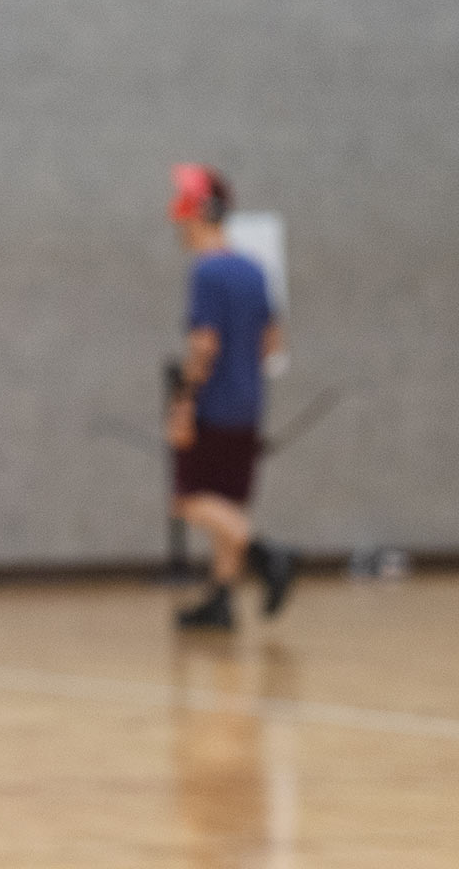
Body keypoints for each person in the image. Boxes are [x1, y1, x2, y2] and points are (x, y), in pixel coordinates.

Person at [164, 164, 295, 631]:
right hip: (249, 403)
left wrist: (183, 404)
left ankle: (267, 554)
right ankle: (221, 600)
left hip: (213, 405)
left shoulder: (207, 271)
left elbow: (203, 345)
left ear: (200, 213)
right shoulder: (255, 270)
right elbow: (271, 342)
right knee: (228, 503)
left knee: (190, 499)